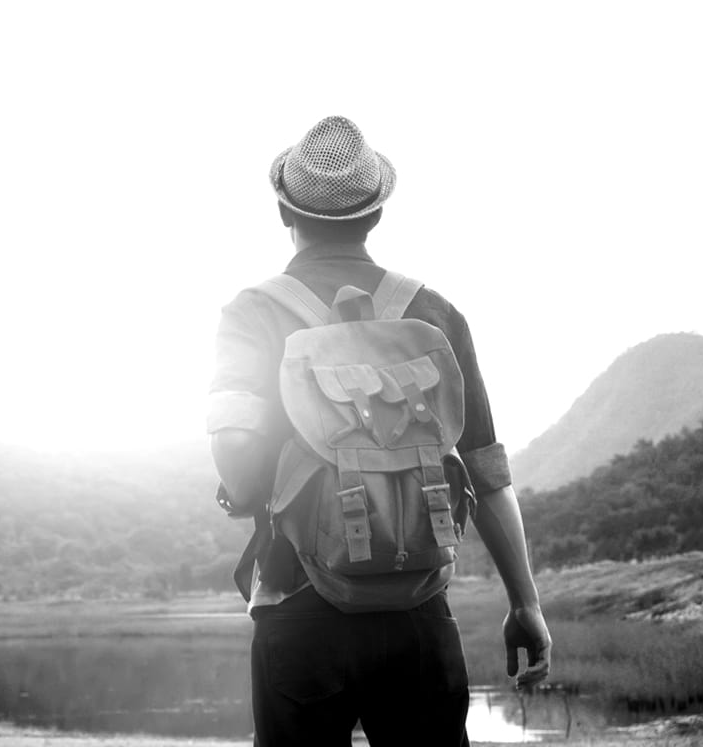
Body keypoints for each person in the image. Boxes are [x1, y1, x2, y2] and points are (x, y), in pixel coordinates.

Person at [207, 116, 552, 746]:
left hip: (297, 604)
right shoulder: (434, 312)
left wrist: (244, 492)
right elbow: (487, 471)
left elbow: (232, 445)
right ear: (376, 214)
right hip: (417, 609)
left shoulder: (253, 312)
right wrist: (525, 603)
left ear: (284, 212)